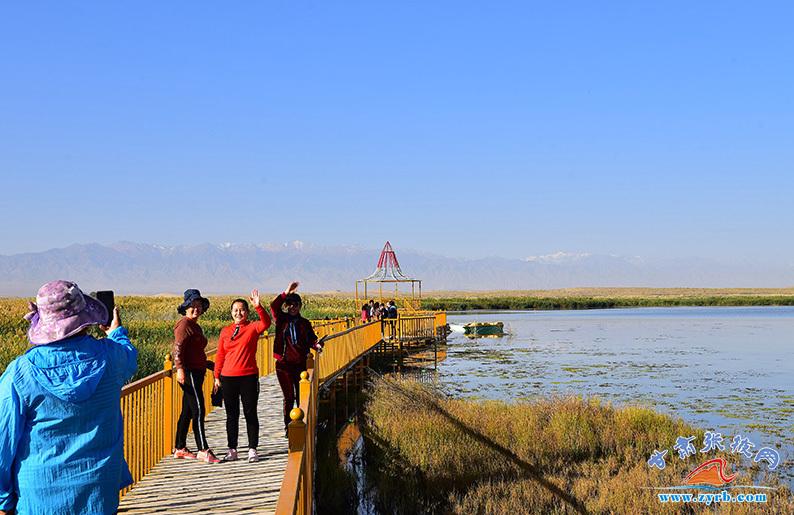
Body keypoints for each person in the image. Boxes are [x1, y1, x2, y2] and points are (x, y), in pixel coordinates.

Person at [0, 280, 137, 515]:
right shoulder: (112, 356)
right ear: (85, 318)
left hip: (39, 496)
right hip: (99, 491)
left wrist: (3, 501)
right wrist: (116, 333)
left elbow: (3, 439)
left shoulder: (20, 372)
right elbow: (130, 358)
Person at [213, 290, 271, 463]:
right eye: (235, 310)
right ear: (231, 313)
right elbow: (220, 355)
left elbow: (267, 323)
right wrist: (217, 376)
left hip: (248, 376)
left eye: (242, 310)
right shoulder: (225, 331)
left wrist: (258, 306)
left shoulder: (253, 327)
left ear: (247, 312)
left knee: (250, 412)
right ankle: (232, 449)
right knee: (232, 415)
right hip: (228, 377)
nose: (238, 313)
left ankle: (252, 449)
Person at [172, 289, 220, 463]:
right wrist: (180, 369)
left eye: (199, 305)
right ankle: (203, 449)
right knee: (198, 409)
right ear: (185, 307)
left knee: (187, 411)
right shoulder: (184, 325)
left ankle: (180, 447)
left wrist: (208, 365)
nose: (196, 309)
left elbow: (195, 351)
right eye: (192, 305)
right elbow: (178, 348)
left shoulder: (194, 325)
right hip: (189, 373)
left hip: (196, 371)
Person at [271, 282, 324, 435]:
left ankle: (303, 423)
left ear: (300, 306)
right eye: (290, 305)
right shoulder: (282, 320)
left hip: (300, 364)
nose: (293, 307)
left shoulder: (305, 324)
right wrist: (286, 292)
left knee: (302, 396)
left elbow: (311, 340)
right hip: (284, 364)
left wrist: (317, 345)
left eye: (296, 305)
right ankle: (288, 426)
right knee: (289, 397)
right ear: (287, 306)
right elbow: (274, 306)